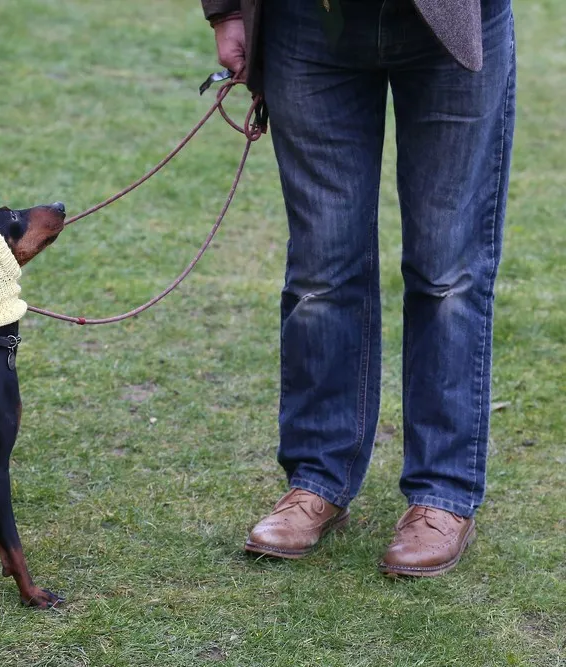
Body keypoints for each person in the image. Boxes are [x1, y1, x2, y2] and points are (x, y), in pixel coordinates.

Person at [201, 0, 516, 576]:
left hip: (457, 22)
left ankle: (443, 495)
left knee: (448, 273)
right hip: (306, 21)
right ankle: (318, 479)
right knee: (322, 270)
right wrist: (226, 10)